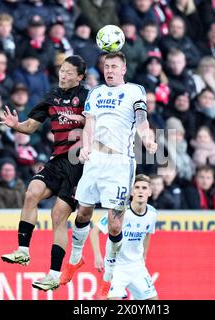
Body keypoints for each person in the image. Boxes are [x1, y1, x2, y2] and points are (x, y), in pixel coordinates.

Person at [59, 52, 157, 287]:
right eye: (106, 66)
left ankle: (109, 276)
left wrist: (149, 140)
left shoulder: (135, 91)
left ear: (124, 69)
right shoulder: (96, 93)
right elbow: (89, 124)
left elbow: (142, 121)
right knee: (83, 212)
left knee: (114, 224)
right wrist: (84, 147)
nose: (109, 70)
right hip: (95, 160)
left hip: (120, 164)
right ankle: (74, 260)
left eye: (114, 66)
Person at [0, 55, 89, 291]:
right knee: (31, 193)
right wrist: (15, 125)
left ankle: (53, 274)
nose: (63, 74)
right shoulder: (51, 96)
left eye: (69, 72)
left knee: (59, 216)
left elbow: (97, 121)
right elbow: (30, 126)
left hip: (78, 163)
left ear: (80, 77)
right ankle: (22, 251)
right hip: (57, 159)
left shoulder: (88, 96)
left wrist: (78, 117)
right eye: (62, 70)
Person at [90, 174, 158, 300]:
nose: (140, 191)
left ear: (150, 192)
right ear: (132, 192)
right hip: (116, 267)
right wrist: (98, 256)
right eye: (137, 187)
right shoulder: (120, 211)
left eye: (144, 188)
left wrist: (144, 256)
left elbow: (147, 233)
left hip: (137, 266)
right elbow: (94, 231)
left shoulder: (152, 213)